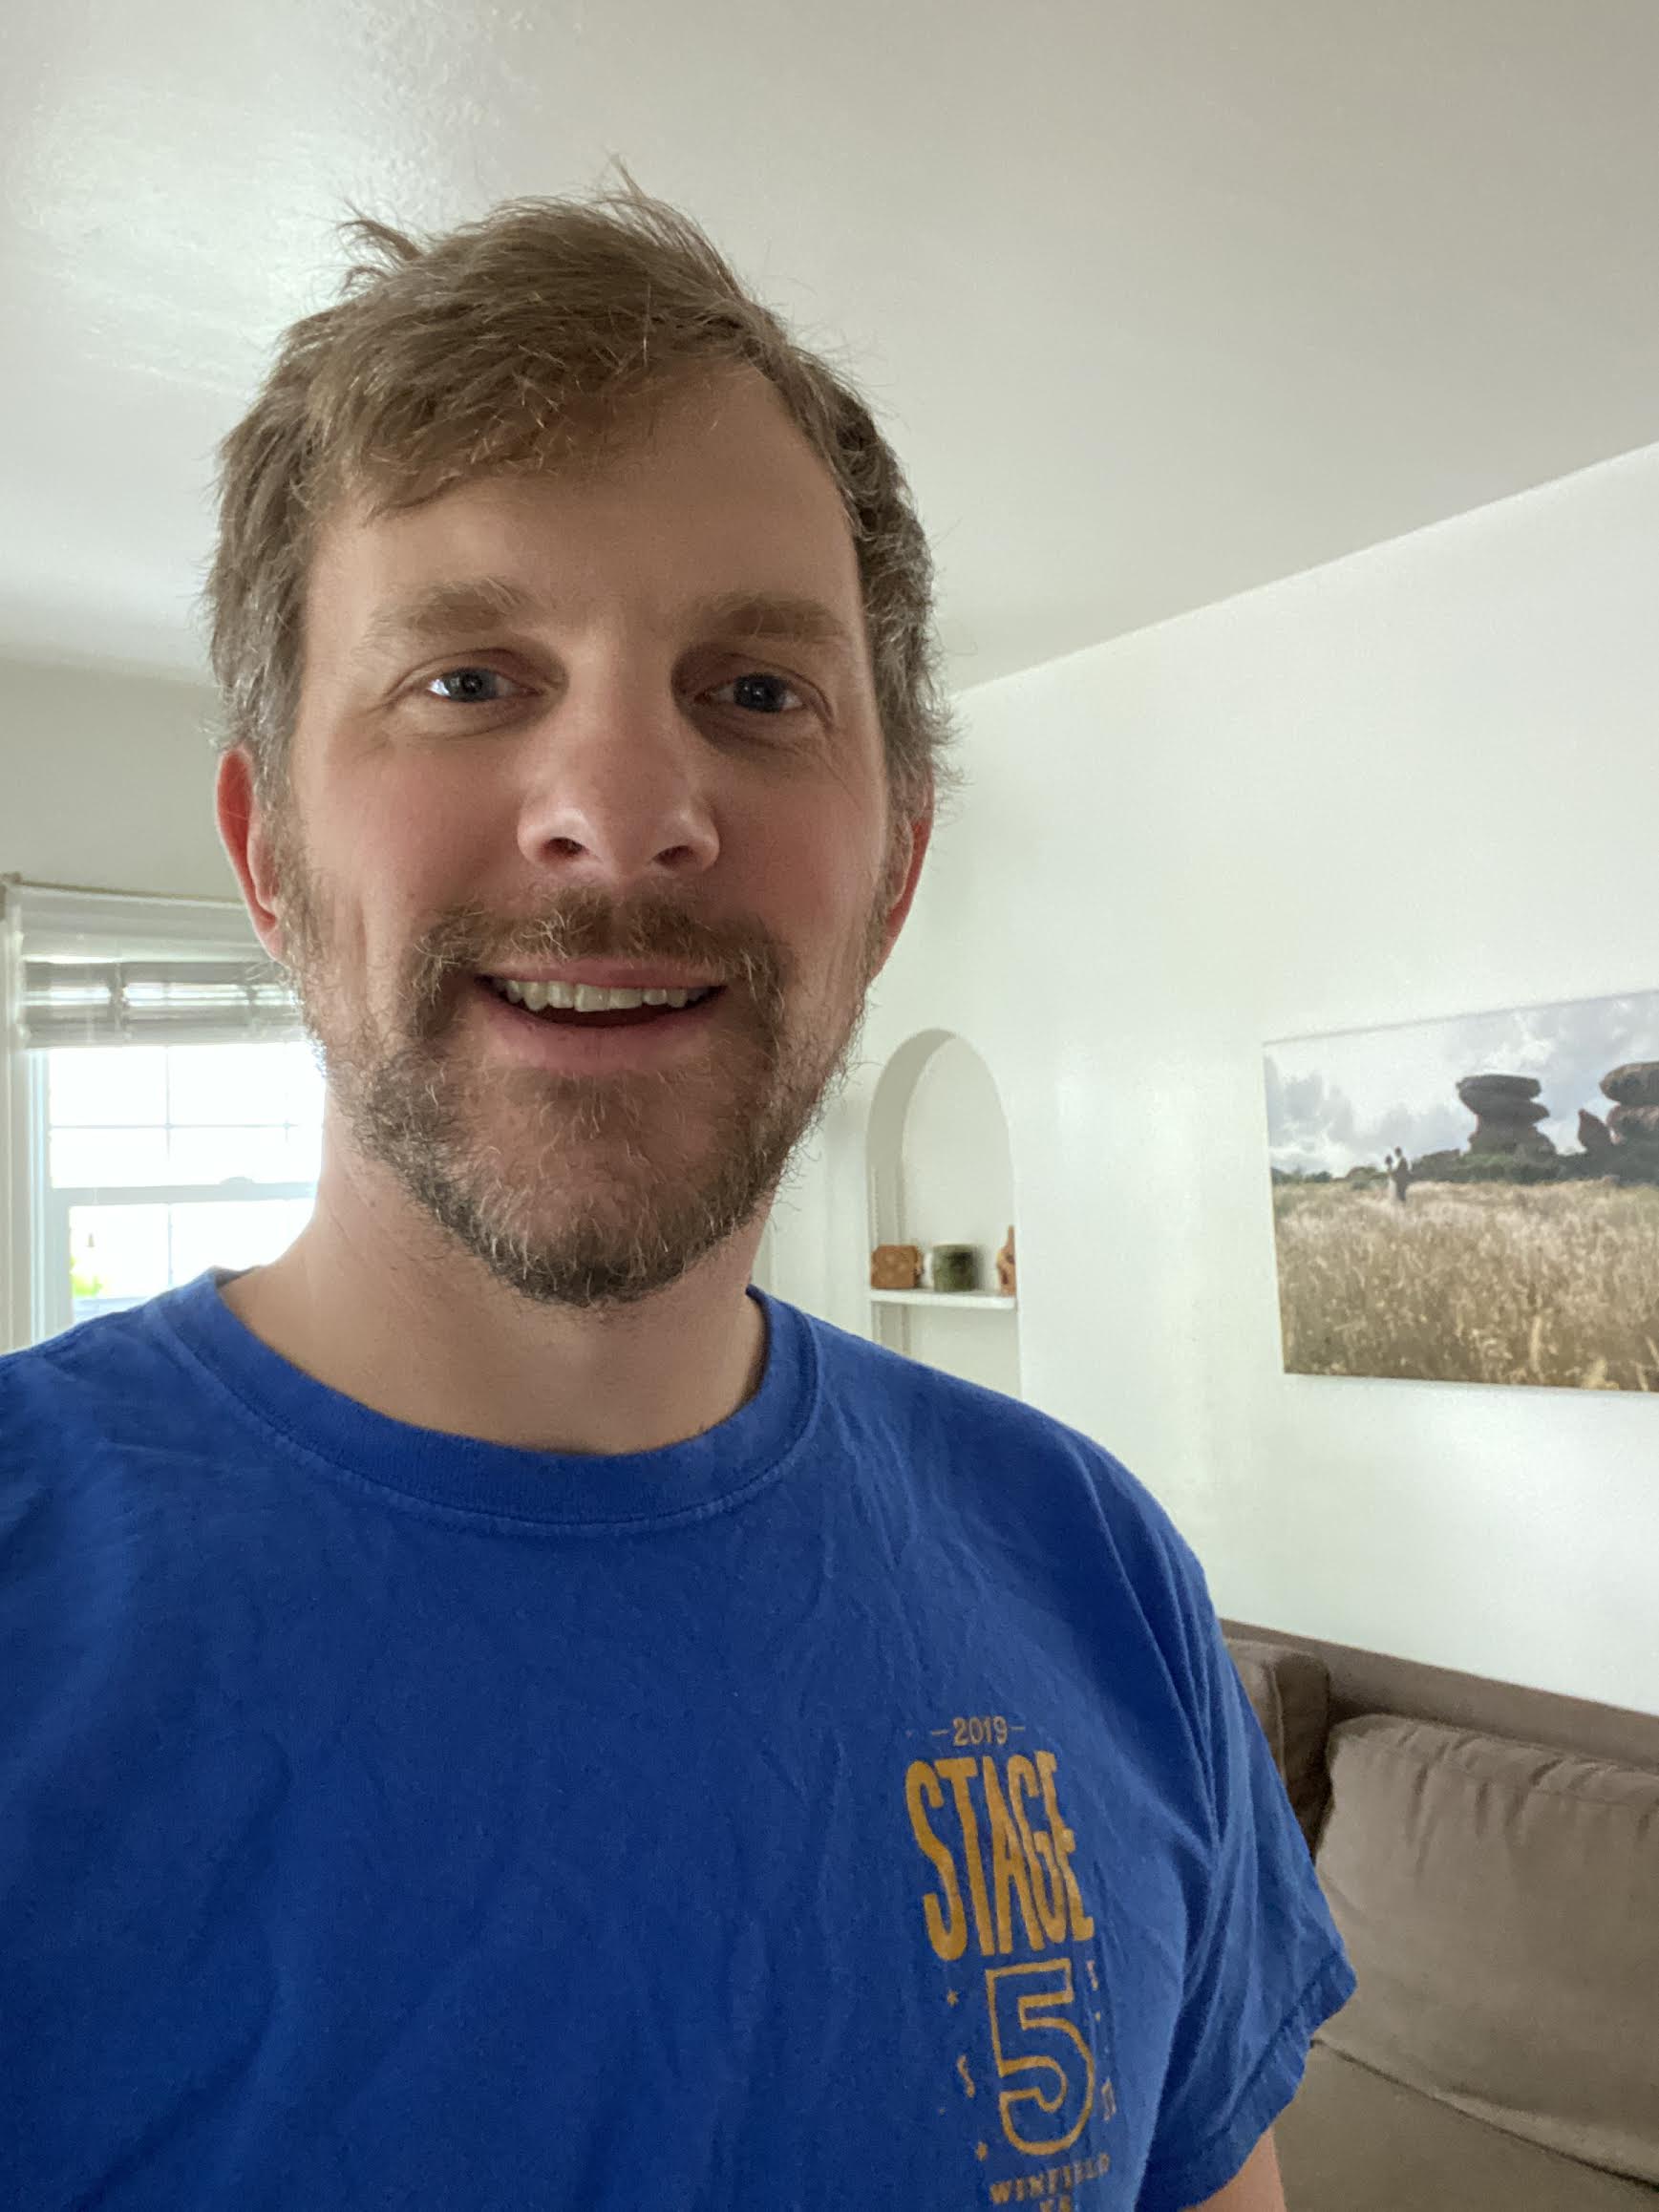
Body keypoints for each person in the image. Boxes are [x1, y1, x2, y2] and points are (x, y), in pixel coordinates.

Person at [0, 188, 1352, 2211]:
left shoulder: (1097, 1575)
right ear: (267, 853)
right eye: (469, 679)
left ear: (892, 870)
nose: (622, 814)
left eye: (756, 691)